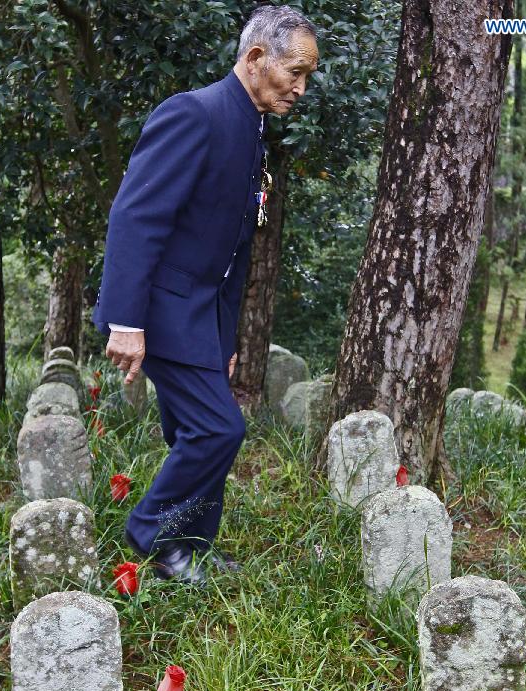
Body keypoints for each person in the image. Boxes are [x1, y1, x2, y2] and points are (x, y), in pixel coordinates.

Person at [91, 6, 319, 584]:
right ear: (255, 58)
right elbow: (135, 217)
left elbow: (231, 254)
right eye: (294, 70)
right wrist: (124, 320)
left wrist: (225, 341)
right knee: (220, 429)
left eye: (308, 75)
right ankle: (152, 536)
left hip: (201, 316)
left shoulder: (251, 129)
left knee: (194, 432)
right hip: (160, 310)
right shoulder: (195, 114)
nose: (300, 86)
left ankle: (187, 545)